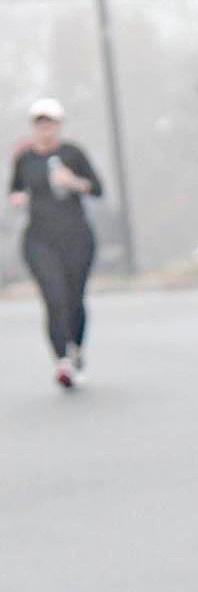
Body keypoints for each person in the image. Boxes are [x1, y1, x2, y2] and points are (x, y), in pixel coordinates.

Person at [7, 98, 103, 388]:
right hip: (40, 239)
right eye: (40, 124)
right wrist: (17, 198)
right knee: (54, 297)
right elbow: (14, 189)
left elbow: (97, 188)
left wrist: (73, 182)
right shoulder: (25, 159)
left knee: (74, 297)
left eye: (50, 123)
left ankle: (76, 349)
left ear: (59, 125)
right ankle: (62, 361)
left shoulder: (72, 153)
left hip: (76, 237)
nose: (45, 129)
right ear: (34, 127)